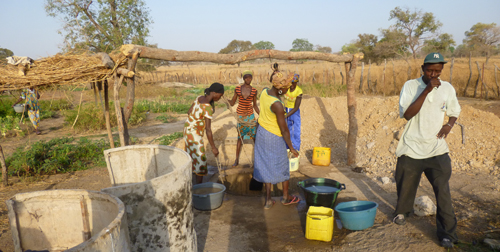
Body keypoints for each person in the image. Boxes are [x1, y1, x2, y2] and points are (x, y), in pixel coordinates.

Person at [393, 52, 461, 248]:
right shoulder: (411, 86)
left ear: (441, 71)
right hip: (411, 147)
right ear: (422, 69)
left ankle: (447, 234)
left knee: (443, 192)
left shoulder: (447, 88)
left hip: (437, 149)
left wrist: (449, 125)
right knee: (405, 185)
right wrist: (426, 91)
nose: (434, 74)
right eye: (430, 70)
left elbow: (454, 111)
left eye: (437, 71)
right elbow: (407, 115)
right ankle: (402, 212)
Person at [253, 63, 300, 209]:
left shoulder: (265, 92)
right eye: (286, 87)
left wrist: (276, 72)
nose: (288, 89)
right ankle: (285, 197)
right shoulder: (277, 105)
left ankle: (268, 200)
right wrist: (292, 148)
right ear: (280, 88)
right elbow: (284, 130)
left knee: (265, 164)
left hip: (261, 133)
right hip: (273, 136)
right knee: (282, 164)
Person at [184, 83, 224, 184]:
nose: (220, 97)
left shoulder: (199, 98)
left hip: (187, 131)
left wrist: (196, 120)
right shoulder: (207, 107)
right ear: (214, 93)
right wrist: (213, 147)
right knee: (200, 163)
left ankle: (189, 183)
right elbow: (208, 129)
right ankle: (199, 189)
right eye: (220, 95)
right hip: (195, 135)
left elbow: (189, 112)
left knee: (191, 158)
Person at [228, 70, 259, 167]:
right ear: (243, 78)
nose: (248, 79)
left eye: (250, 77)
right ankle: (236, 160)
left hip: (250, 116)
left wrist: (261, 115)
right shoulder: (237, 89)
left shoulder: (254, 91)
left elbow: (254, 105)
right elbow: (233, 102)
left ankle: (257, 160)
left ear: (251, 78)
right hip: (241, 116)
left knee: (254, 138)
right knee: (240, 138)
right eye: (246, 77)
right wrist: (224, 98)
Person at [283, 74, 302, 151]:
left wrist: (286, 116)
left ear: (296, 82)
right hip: (285, 110)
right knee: (285, 131)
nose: (292, 85)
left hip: (294, 112)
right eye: (291, 82)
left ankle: (295, 150)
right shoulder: (286, 89)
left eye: (294, 82)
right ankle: (286, 150)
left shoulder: (299, 91)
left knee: (294, 132)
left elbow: (296, 107)